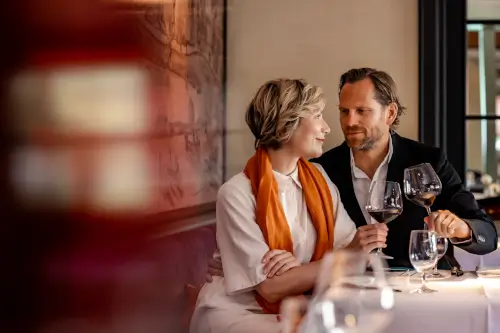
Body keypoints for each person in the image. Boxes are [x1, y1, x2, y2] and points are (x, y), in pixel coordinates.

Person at [206, 68, 498, 277]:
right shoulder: (321, 170)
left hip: (424, 285)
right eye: (344, 111)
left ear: (390, 113)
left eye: (362, 111)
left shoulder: (426, 161)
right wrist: (239, 265)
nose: (349, 121)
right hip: (349, 292)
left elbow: (487, 235)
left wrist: (461, 229)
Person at [190, 79, 367, 333]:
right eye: (317, 116)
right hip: (238, 312)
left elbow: (348, 253)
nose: (327, 128)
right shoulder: (236, 193)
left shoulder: (320, 179)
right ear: (288, 123)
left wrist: (302, 270)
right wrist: (334, 261)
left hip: (300, 305)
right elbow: (271, 288)